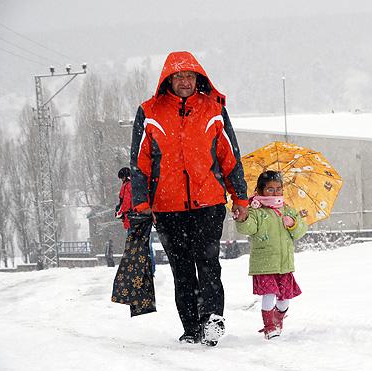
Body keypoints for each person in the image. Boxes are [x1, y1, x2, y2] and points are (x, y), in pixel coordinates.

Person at [130, 51, 248, 346]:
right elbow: (139, 163)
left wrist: (240, 197)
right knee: (182, 270)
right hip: (167, 208)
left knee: (208, 263)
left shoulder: (214, 109)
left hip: (208, 204)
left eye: (190, 76)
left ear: (199, 78)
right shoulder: (149, 112)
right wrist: (141, 202)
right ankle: (191, 327)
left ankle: (212, 319)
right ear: (168, 79)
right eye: (179, 76)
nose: (185, 81)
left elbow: (229, 156)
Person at [235, 171, 307, 340]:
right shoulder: (256, 211)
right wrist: (243, 218)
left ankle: (278, 318)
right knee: (268, 294)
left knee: (284, 300)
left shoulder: (288, 210)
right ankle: (269, 326)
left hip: (284, 263)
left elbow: (300, 231)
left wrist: (293, 224)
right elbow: (249, 228)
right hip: (265, 263)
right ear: (260, 191)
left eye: (278, 189)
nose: (275, 193)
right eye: (270, 189)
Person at [116, 166, 156, 273]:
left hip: (133, 218)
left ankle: (138, 268)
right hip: (142, 215)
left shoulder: (127, 186)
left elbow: (126, 202)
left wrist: (121, 213)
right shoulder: (137, 183)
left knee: (135, 244)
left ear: (124, 177)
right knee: (145, 242)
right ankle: (149, 267)